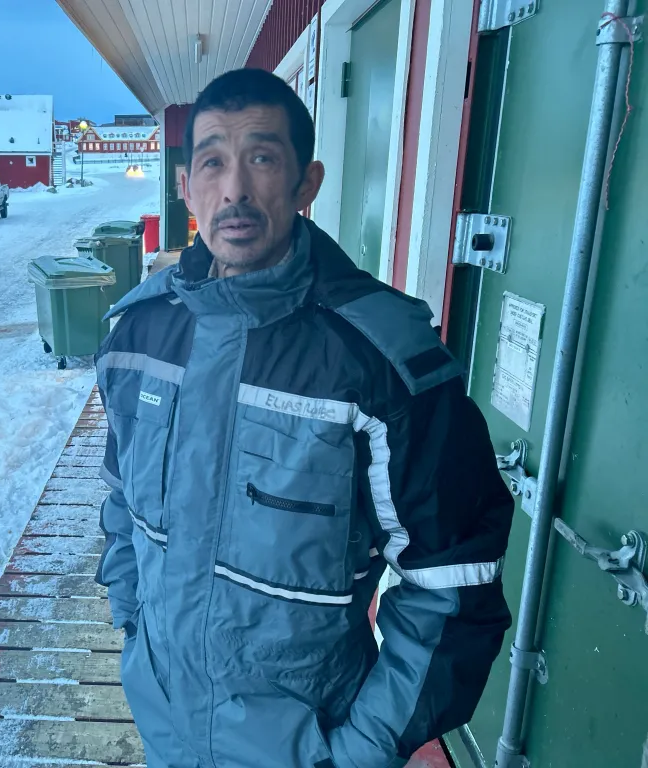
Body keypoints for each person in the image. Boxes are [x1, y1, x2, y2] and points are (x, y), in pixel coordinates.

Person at [94, 67, 515, 768]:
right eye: (213, 163)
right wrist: (135, 631)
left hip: (312, 750)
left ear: (306, 182)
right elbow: (119, 503)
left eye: (262, 158)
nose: (234, 190)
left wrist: (361, 749)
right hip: (164, 729)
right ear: (185, 184)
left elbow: (455, 583)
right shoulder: (139, 335)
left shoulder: (381, 363)